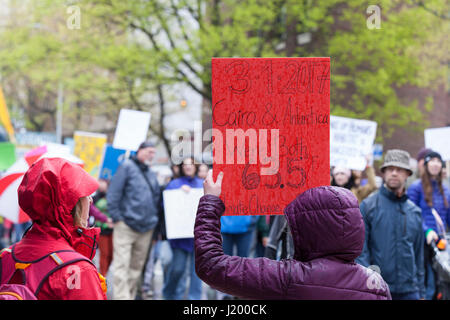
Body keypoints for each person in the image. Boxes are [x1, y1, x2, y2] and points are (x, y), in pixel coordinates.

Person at [194, 170, 391, 300]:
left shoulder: (289, 277)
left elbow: (211, 266)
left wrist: (210, 202)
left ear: (307, 228)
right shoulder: (376, 284)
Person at [0, 158, 106, 299]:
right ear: (71, 204)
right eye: (85, 195)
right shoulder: (77, 270)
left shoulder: (5, 257)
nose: (90, 200)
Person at [356, 149, 425, 300]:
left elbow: (420, 256)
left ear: (407, 174)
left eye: (399, 169)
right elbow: (362, 251)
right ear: (384, 173)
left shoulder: (415, 212)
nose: (394, 173)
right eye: (390, 169)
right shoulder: (368, 206)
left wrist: (421, 292)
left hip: (410, 290)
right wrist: (370, 283)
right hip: (378, 289)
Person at [107, 141, 162, 300]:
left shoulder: (151, 173)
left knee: (136, 267)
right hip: (125, 225)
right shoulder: (126, 166)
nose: (151, 155)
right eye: (148, 151)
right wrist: (117, 218)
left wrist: (154, 222)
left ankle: (128, 296)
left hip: (147, 227)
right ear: (139, 151)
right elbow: (113, 193)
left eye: (153, 152)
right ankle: (121, 297)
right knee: (121, 265)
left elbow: (156, 199)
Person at [407, 150, 450, 300]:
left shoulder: (446, 189)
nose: (436, 164)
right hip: (422, 241)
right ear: (425, 165)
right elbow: (412, 214)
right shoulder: (415, 187)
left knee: (442, 281)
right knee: (428, 281)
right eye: (432, 161)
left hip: (441, 243)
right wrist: (427, 230)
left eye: (439, 161)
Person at [162, 157, 204, 300]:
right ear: (181, 167)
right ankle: (169, 294)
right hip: (180, 238)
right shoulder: (173, 184)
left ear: (195, 167)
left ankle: (194, 299)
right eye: (185, 165)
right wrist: (179, 194)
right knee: (177, 269)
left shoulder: (202, 185)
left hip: (198, 238)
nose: (188, 167)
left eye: (191, 164)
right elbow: (165, 207)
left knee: (197, 271)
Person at [92, 179, 114, 277]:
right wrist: (106, 220)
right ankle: (102, 276)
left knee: (112, 255)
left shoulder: (113, 196)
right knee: (104, 254)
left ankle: (104, 273)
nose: (100, 183)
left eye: (102, 181)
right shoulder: (95, 197)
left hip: (113, 229)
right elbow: (94, 212)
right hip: (101, 230)